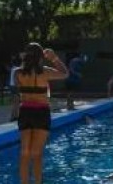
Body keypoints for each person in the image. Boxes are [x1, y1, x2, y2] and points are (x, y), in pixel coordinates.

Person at [15, 43, 68, 184]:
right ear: (40, 56)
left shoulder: (18, 73)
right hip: (41, 112)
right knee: (37, 153)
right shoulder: (45, 72)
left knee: (25, 153)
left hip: (25, 111)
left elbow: (18, 92)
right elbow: (65, 73)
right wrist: (54, 58)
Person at [8, 54, 23, 122]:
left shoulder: (13, 68)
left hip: (12, 86)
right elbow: (16, 80)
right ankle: (13, 117)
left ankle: (15, 116)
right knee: (16, 103)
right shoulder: (17, 69)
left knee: (15, 103)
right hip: (15, 86)